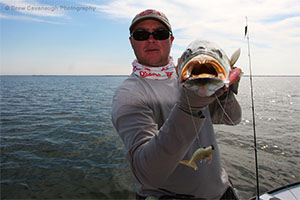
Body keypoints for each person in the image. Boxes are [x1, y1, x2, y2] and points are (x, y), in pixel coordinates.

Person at [112, 9, 242, 199]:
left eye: (160, 33)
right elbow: (147, 174)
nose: (151, 39)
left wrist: (225, 94)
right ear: (132, 42)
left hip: (222, 192)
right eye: (141, 35)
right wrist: (193, 103)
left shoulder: (193, 75)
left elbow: (232, 118)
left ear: (171, 40)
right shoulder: (129, 94)